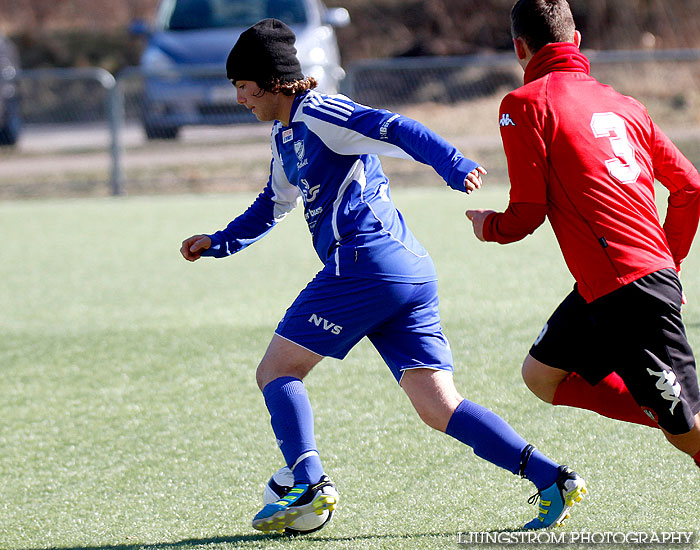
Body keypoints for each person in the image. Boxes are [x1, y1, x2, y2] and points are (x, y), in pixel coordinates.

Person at [181, 18, 586, 533]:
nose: (240, 99)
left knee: (276, 371)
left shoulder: (319, 111)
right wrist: (219, 242)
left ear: (270, 80)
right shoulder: (286, 138)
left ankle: (307, 484)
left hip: (364, 266)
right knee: (439, 407)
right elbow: (272, 204)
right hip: (406, 275)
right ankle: (552, 478)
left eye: (242, 86)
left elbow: (392, 127)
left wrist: (451, 162)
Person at [466, 0, 700, 485]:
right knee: (541, 376)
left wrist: (489, 225)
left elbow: (526, 214)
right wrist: (668, 261)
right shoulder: (625, 104)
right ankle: (665, 410)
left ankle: (677, 419)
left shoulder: (524, 104)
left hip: (628, 289)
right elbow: (690, 187)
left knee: (688, 433)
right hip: (605, 286)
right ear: (577, 41)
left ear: (519, 48)